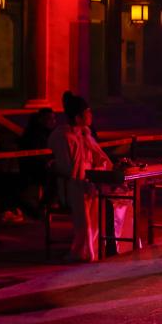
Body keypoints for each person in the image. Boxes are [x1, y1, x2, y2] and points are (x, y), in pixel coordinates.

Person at [47, 96, 127, 262]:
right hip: (73, 184)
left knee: (96, 215)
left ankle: (93, 248)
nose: (91, 116)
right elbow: (67, 168)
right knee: (83, 219)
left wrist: (110, 166)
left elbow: (99, 157)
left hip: (91, 180)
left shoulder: (86, 135)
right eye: (87, 113)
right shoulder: (64, 136)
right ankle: (81, 251)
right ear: (78, 117)